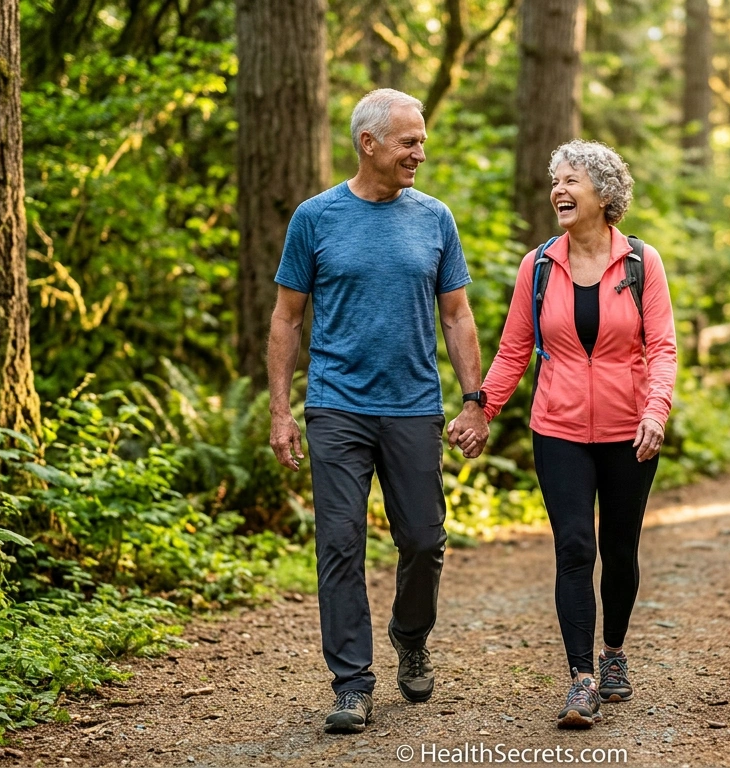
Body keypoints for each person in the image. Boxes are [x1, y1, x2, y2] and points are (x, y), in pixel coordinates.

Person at [267, 88, 490, 735]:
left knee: (424, 540)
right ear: (369, 144)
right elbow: (286, 317)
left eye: (421, 140)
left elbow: (457, 314)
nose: (421, 151)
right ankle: (352, 684)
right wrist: (282, 412)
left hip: (414, 405)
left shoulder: (435, 218)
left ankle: (410, 634)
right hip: (336, 405)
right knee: (339, 543)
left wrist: (475, 400)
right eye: (410, 141)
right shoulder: (315, 218)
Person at [474, 139, 677, 729]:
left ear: (604, 194)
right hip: (558, 428)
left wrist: (655, 411)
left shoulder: (642, 263)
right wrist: (480, 412)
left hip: (628, 428)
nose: (558, 190)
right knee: (573, 548)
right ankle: (581, 678)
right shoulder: (537, 266)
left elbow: (661, 347)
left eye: (572, 181)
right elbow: (514, 350)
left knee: (619, 549)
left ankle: (614, 651)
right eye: (555, 180)